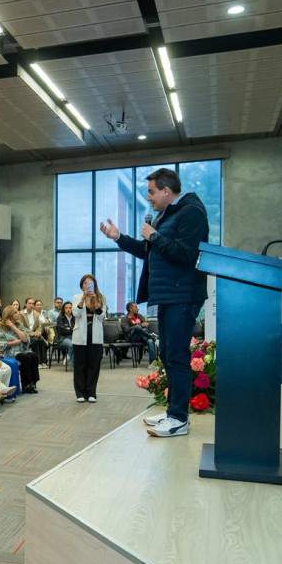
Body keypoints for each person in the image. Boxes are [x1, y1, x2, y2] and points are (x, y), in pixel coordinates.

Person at [101, 167, 208, 437]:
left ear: (166, 190)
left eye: (151, 192)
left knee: (178, 357)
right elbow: (148, 251)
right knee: (168, 356)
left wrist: (155, 236)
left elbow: (186, 254)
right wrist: (119, 238)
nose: (148, 198)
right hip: (168, 296)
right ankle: (174, 411)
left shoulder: (191, 212)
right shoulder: (165, 216)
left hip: (183, 295)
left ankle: (179, 419)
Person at [71, 274, 107, 403]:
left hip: (95, 334)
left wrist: (95, 301)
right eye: (85, 283)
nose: (87, 285)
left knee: (94, 364)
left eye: (90, 283)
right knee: (80, 365)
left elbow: (102, 316)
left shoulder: (101, 297)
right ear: (82, 285)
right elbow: (75, 313)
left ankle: (92, 393)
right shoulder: (76, 297)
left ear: (94, 285)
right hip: (80, 335)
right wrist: (83, 299)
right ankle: (80, 393)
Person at [0, 307, 41, 394]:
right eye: (15, 313)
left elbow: (25, 339)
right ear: (9, 315)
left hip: (22, 349)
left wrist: (13, 327)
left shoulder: (19, 325)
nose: (18, 314)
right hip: (9, 352)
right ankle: (26, 384)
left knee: (33, 356)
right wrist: (15, 342)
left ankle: (32, 382)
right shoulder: (1, 328)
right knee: (25, 357)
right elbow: (2, 345)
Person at [121, 302, 158, 367]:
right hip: (132, 337)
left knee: (150, 341)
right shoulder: (124, 319)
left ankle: (153, 363)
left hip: (143, 336)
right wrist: (139, 325)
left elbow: (146, 326)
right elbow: (126, 330)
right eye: (136, 307)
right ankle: (152, 337)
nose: (138, 309)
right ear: (130, 309)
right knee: (137, 328)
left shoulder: (140, 316)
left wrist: (143, 326)